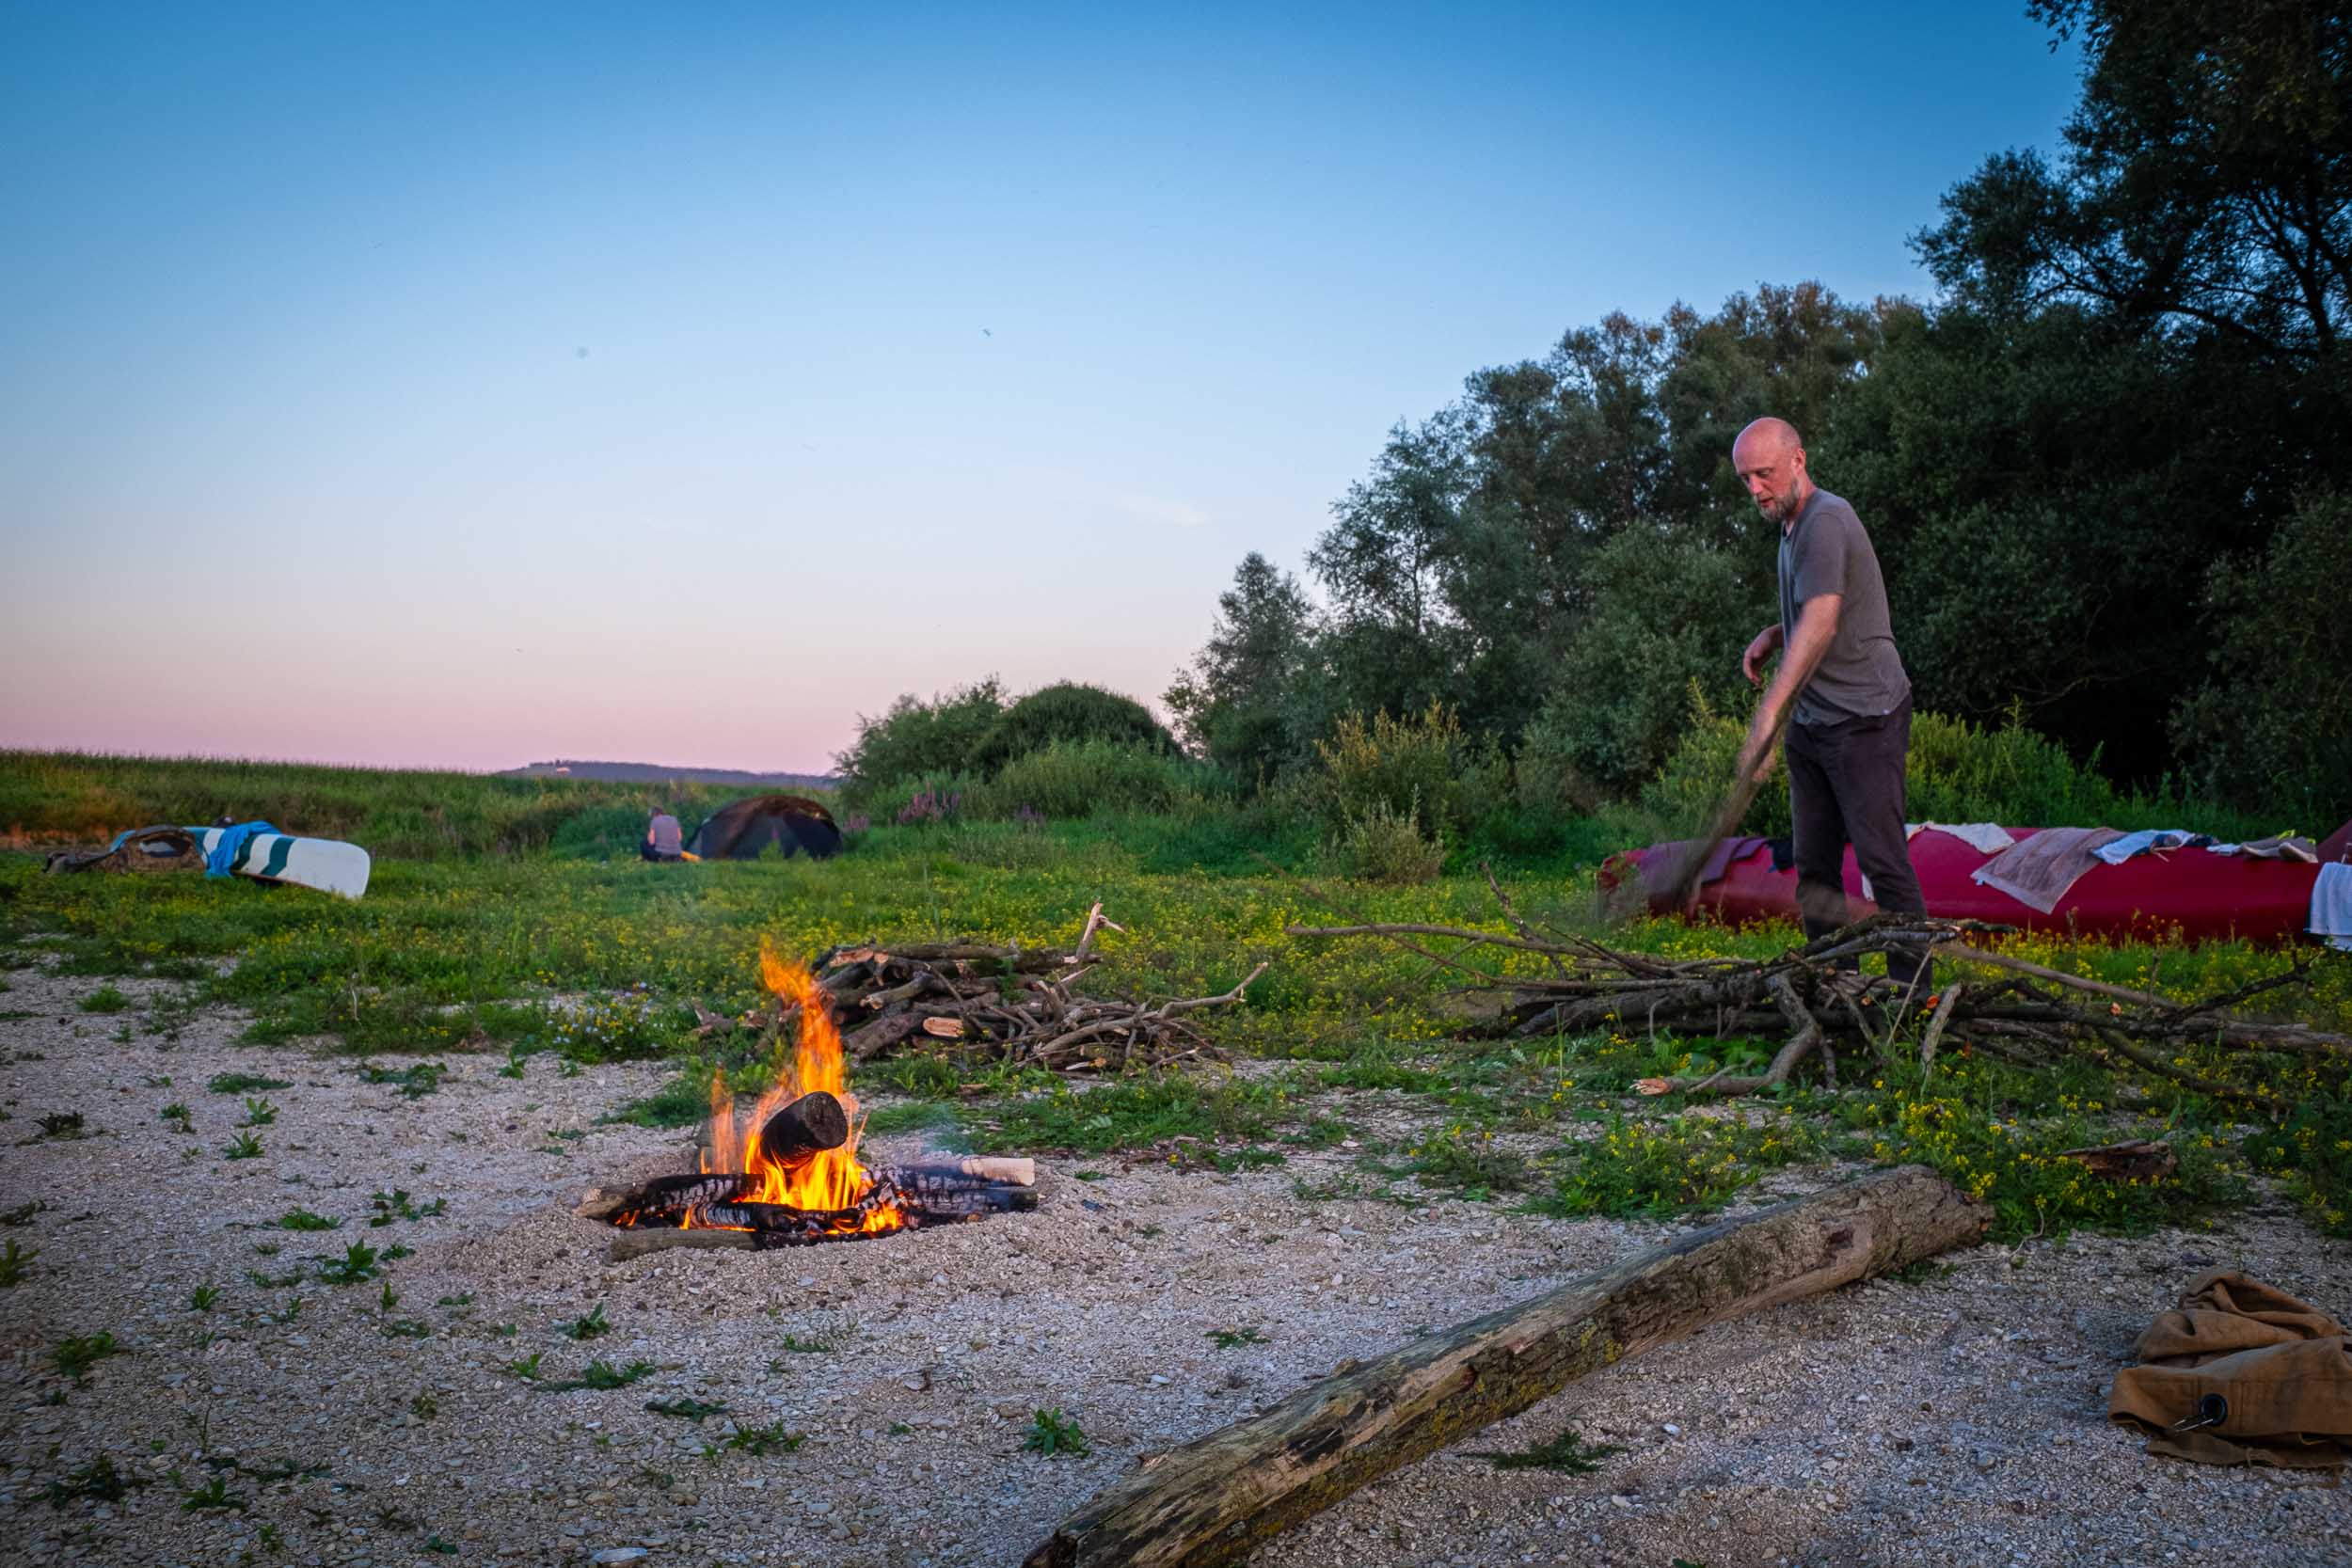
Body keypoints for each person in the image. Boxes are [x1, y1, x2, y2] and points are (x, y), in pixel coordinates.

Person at [1730, 417, 1926, 984]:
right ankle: (1836, 983)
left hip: (1864, 717)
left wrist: (1767, 713)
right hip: (1815, 723)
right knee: (1813, 866)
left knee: (1881, 862)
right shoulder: (1791, 528)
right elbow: (1817, 608)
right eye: (1745, 479)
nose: (1755, 490)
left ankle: (1911, 997)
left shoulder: (1827, 519)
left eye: (1763, 474)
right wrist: (1776, 632)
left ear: (1798, 460)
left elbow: (1823, 618)